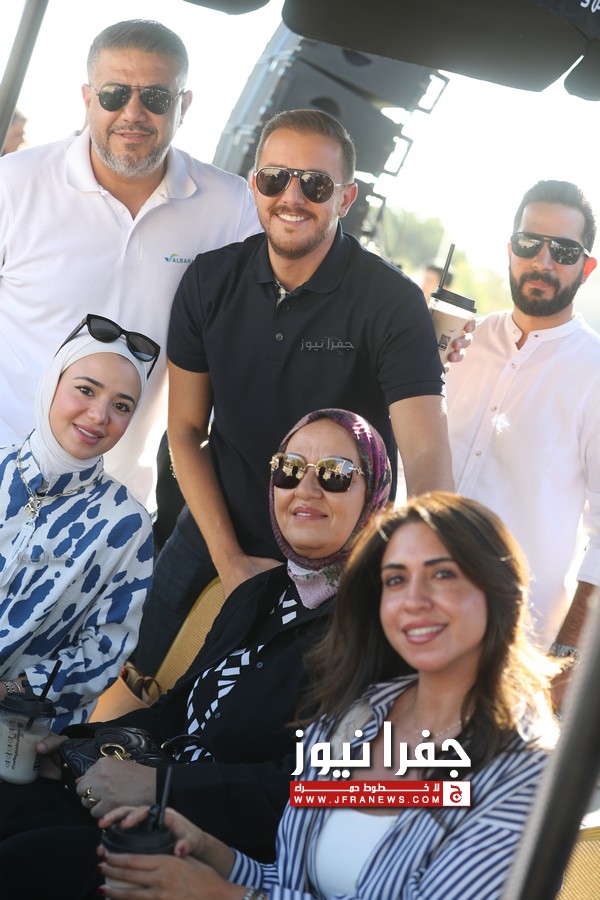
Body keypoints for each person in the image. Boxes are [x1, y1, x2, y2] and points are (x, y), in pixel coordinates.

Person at [0, 408, 392, 894]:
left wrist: (160, 789)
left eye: (335, 474)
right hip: (144, 806)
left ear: (375, 496)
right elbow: (175, 712)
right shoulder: (261, 591)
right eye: (290, 468)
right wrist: (74, 750)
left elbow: (314, 792)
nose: (306, 489)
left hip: (211, 853)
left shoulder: (374, 630)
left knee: (28, 861)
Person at [134, 107, 465, 676]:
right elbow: (186, 431)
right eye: (274, 178)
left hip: (333, 572)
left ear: (346, 198)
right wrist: (230, 560)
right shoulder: (209, 280)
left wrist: (431, 567)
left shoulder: (392, 302)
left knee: (270, 726)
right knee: (140, 686)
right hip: (211, 536)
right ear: (254, 184)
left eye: (315, 184)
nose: (292, 196)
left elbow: (426, 452)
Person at [97, 492, 559, 900]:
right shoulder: (362, 714)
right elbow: (299, 879)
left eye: (443, 575)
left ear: (500, 593)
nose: (414, 600)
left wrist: (221, 894)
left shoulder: (524, 772)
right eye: (396, 579)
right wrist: (215, 855)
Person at [0, 19, 259, 509]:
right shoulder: (13, 183)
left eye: (156, 97)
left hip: (115, 512)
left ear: (184, 105)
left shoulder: (230, 205)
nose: (133, 113)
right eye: (115, 93)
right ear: (87, 98)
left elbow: (271, 320)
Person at [444, 180, 600, 667]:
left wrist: (568, 651)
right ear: (510, 250)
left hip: (512, 643)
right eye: (530, 243)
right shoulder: (461, 343)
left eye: (564, 251)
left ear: (587, 268)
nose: (543, 262)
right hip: (409, 608)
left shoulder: (594, 372)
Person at [0, 315, 155, 730]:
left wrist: (9, 690)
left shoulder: (126, 525)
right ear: (52, 383)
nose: (99, 415)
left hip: (16, 734)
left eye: (121, 406)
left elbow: (104, 651)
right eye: (86, 390)